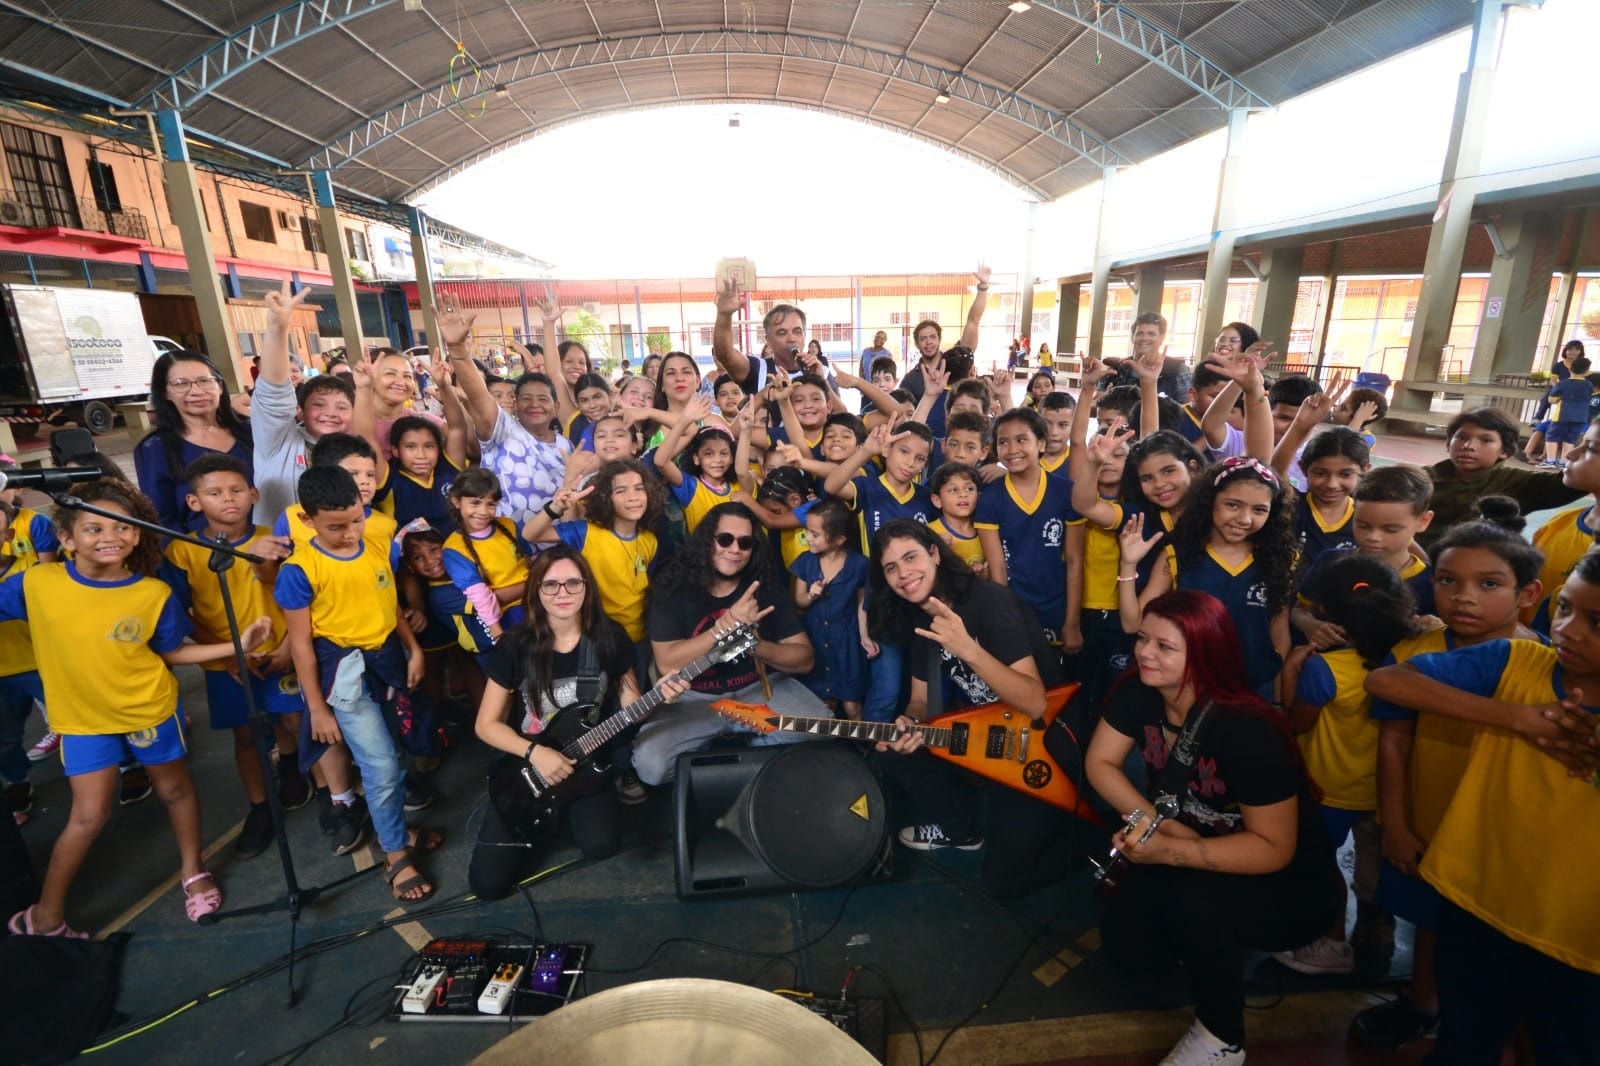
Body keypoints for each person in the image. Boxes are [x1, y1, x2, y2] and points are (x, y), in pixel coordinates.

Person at [0, 479, 275, 937]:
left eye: (122, 528)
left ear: (137, 534)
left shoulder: (151, 593)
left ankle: (193, 870)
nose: (110, 537)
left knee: (174, 790)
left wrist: (237, 647)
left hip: (150, 710)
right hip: (83, 721)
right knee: (88, 815)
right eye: (92, 529)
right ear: (66, 539)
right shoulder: (35, 584)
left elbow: (171, 654)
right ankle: (48, 913)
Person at [1085, 590, 1341, 1066]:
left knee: (1195, 904)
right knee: (1127, 948)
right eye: (1143, 638)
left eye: (1165, 646)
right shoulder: (1138, 689)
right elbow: (1100, 762)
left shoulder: (1248, 727)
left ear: (1204, 653)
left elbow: (1274, 849)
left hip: (1288, 886)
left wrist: (1167, 850)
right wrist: (1154, 828)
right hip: (1192, 844)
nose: (1144, 653)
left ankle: (1222, 1037)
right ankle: (1204, 952)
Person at [1363, 555, 1600, 1064]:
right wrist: (1516, 718)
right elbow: (1387, 683)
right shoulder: (1516, 662)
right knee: (1466, 1041)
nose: (1568, 630)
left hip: (1577, 934)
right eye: (1565, 609)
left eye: (1595, 622)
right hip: (1478, 898)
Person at [870, 520, 1086, 897]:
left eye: (911, 557)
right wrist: (910, 722)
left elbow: (1035, 702)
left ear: (934, 554)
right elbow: (920, 700)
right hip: (985, 737)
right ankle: (963, 826)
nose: (904, 573)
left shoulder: (989, 603)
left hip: (1040, 743)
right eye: (891, 567)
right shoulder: (923, 616)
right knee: (890, 751)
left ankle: (1086, 837)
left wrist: (967, 649)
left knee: (1002, 884)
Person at [467, 546, 688, 900]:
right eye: (551, 585)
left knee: (601, 846)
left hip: (587, 763)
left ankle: (567, 812)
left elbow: (632, 708)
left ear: (587, 588)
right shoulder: (515, 646)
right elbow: (486, 726)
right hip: (528, 768)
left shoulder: (610, 639)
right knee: (486, 886)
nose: (563, 593)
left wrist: (658, 695)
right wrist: (535, 753)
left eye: (573, 583)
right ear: (536, 590)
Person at [274, 465, 440, 902]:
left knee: (396, 751)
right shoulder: (299, 570)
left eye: (356, 520)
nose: (349, 533)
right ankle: (394, 853)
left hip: (388, 660)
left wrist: (414, 649)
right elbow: (302, 646)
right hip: (342, 675)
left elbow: (390, 606)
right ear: (307, 520)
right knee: (380, 765)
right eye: (335, 527)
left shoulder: (374, 547)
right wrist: (317, 709)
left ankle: (397, 832)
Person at [1275, 555, 1422, 976]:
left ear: (1324, 612)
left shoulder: (1325, 668)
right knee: (1373, 864)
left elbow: (1296, 724)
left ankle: (1333, 943)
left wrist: (1290, 672)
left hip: (1329, 789)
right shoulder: (1408, 658)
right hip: (1383, 791)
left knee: (1320, 863)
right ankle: (1376, 932)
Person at [162, 454, 307, 860]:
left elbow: (294, 597)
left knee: (293, 719)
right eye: (214, 493)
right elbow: (182, 612)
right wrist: (228, 655)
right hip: (226, 661)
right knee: (246, 733)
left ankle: (294, 769)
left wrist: (288, 646)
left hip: (279, 650)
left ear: (253, 494)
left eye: (236, 490)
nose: (228, 499)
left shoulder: (276, 538)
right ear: (194, 502)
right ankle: (261, 807)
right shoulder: (183, 551)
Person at [630, 502, 821, 786]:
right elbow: (668, 662)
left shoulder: (764, 587)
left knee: (818, 731)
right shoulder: (673, 587)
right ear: (708, 541)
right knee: (651, 767)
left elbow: (805, 659)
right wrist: (726, 625)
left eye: (745, 543)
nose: (735, 549)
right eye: (725, 539)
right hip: (692, 696)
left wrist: (753, 644)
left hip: (757, 690)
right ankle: (744, 755)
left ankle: (749, 762)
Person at [442, 301, 573, 529]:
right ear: (515, 403)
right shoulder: (502, 430)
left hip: (555, 553)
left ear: (556, 407)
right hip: (506, 550)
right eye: (525, 398)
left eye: (543, 399)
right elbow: (479, 395)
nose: (534, 404)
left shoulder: (568, 447)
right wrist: (457, 350)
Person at [1419, 407, 1583, 553]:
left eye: (1485, 440)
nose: (1468, 446)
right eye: (1461, 437)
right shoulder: (1421, 480)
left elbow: (1573, 483)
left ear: (1504, 450)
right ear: (1448, 443)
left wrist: (1591, 448)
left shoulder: (1516, 482)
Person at [134, 350, 254, 533]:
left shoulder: (251, 432)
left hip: (271, 544)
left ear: (219, 386)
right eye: (181, 384)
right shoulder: (156, 448)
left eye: (205, 381)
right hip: (203, 554)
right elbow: (161, 519)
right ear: (165, 392)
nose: (197, 391)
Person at [790, 497, 872, 721]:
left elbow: (862, 604)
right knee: (821, 706)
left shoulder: (860, 564)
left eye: (815, 534)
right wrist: (811, 595)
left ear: (838, 540)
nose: (808, 537)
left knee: (852, 705)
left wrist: (865, 636)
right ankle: (827, 751)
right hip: (815, 642)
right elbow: (799, 602)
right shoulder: (805, 562)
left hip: (847, 644)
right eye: (807, 531)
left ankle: (864, 750)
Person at [896, 268, 992, 404]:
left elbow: (973, 321)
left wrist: (983, 287)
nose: (928, 342)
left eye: (932, 337)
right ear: (917, 344)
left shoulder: (956, 362)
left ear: (939, 339)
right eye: (923, 339)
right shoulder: (911, 379)